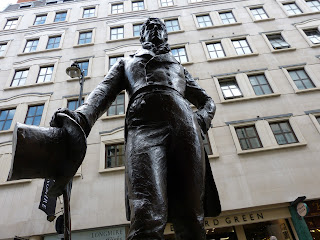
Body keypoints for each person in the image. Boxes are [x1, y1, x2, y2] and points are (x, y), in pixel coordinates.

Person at [50, 17, 221, 240]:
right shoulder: (127, 63)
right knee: (146, 212)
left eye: (159, 27)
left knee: (191, 216)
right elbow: (103, 92)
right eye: (148, 27)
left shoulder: (178, 67)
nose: (154, 29)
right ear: (142, 37)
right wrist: (81, 117)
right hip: (144, 128)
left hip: (186, 129)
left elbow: (208, 102)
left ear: (166, 34)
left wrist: (200, 120)